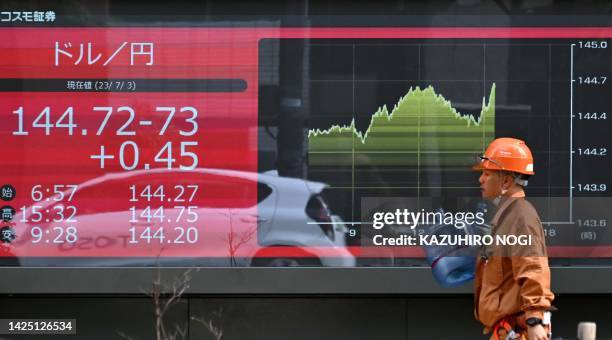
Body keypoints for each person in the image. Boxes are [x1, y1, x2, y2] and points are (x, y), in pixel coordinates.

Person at [472, 138, 554, 340]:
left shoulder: (520, 217)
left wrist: (534, 320)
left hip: (517, 332)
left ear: (507, 181)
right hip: (506, 331)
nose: (481, 179)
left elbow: (533, 268)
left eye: (487, 173)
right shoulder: (508, 216)